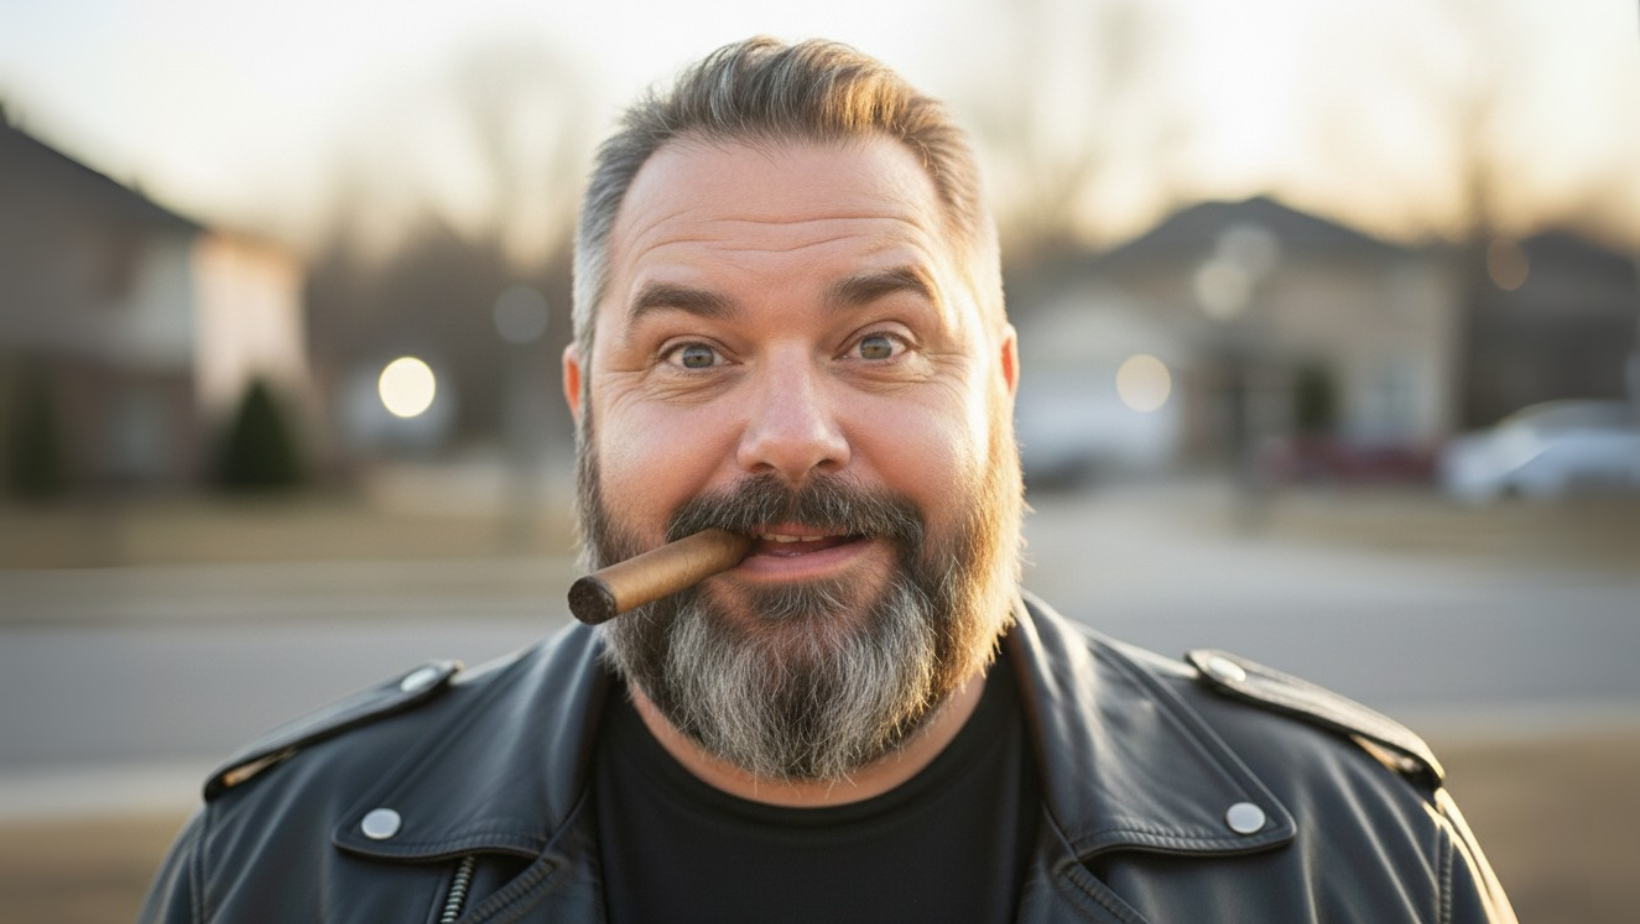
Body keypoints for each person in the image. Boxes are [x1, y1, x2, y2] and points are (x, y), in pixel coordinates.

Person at [141, 37, 1516, 923]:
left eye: (881, 341)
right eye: (691, 352)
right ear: (585, 413)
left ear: (1001, 393)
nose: (791, 438)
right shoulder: (283, 875)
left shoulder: (1360, 865)